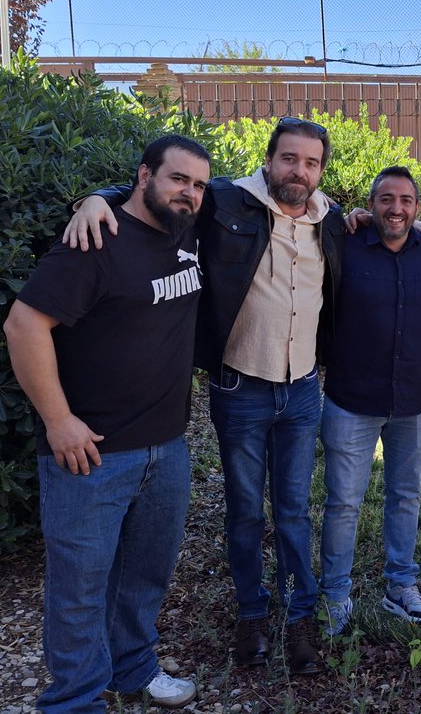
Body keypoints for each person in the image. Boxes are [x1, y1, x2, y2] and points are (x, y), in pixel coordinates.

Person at [66, 117, 345, 676]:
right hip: (240, 386)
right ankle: (251, 613)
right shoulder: (226, 201)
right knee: (244, 512)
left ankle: (300, 619)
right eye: (289, 159)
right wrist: (96, 198)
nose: (300, 171)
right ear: (268, 162)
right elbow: (166, 192)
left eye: (312, 163)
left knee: (293, 512)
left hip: (302, 390)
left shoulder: (330, 219)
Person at [4, 135, 211, 711]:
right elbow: (24, 326)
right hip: (90, 453)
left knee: (144, 578)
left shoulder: (187, 226)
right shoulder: (95, 241)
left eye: (198, 184)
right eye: (177, 180)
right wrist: (58, 419)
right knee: (78, 592)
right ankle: (75, 701)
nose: (189, 193)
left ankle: (133, 669)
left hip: (165, 448)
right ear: (144, 176)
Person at [318, 166, 421, 636]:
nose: (396, 209)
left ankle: (400, 586)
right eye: (386, 199)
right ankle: (334, 596)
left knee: (406, 497)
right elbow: (310, 205)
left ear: (417, 206)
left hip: (413, 398)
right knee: (343, 503)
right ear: (371, 205)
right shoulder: (343, 245)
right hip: (352, 398)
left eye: (406, 200)